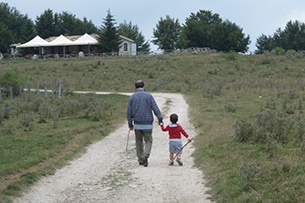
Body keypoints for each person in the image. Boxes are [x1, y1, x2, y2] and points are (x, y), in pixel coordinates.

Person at [127, 80, 163, 167]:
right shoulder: (149, 96)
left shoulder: (132, 97)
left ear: (135, 87)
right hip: (147, 124)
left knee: (138, 141)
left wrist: (130, 124)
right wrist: (160, 118)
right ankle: (145, 156)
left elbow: (129, 112)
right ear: (143, 86)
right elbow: (155, 108)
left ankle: (140, 159)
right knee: (148, 141)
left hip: (137, 124)